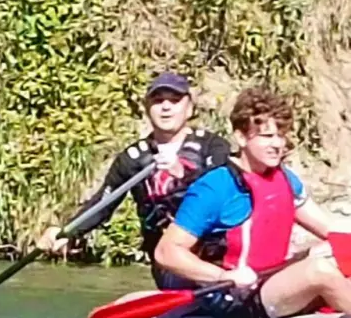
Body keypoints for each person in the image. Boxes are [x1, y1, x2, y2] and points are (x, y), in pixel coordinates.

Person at [154, 86, 351, 318]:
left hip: (271, 281)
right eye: (266, 136)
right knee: (318, 271)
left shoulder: (286, 180)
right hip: (234, 297)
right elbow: (166, 252)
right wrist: (223, 276)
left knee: (342, 261)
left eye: (281, 135)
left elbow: (332, 233)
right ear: (241, 138)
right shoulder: (215, 187)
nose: (277, 144)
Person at [38, 71, 231, 283]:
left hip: (216, 252)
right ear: (147, 108)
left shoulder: (213, 146)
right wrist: (67, 232)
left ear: (189, 109)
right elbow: (104, 202)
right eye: (158, 101)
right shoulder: (132, 158)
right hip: (168, 260)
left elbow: (224, 193)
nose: (166, 107)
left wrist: (183, 175)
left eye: (175, 100)